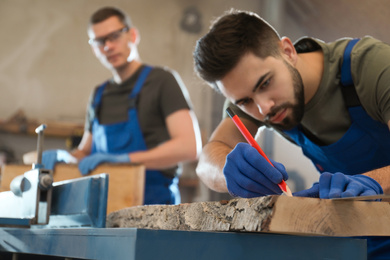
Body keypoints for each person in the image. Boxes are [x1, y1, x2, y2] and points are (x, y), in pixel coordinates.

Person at [193, 9, 390, 200]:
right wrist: (229, 171)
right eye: (245, 101)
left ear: (288, 52)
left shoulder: (372, 66)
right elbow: (205, 164)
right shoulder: (247, 94)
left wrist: (374, 182)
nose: (264, 108)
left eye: (266, 83)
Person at [42, 6, 202, 205]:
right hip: (103, 206)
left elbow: (189, 146)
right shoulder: (99, 94)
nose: (108, 46)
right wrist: (66, 157)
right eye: (100, 41)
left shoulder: (162, 81)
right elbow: (85, 151)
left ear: (132, 35)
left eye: (114, 36)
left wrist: (126, 160)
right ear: (94, 48)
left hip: (154, 206)